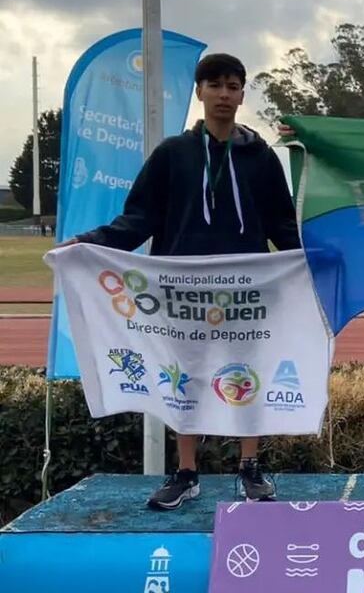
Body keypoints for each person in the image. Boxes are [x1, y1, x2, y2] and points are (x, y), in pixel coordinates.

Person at [62, 53, 300, 510]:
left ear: (242, 93)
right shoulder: (172, 154)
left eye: (233, 86)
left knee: (246, 373)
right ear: (200, 91)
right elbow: (140, 218)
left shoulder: (260, 156)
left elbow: (280, 223)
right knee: (183, 379)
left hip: (245, 291)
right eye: (216, 86)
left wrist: (316, 254)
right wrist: (91, 241)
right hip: (180, 291)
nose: (224, 95)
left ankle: (249, 467)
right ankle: (187, 472)